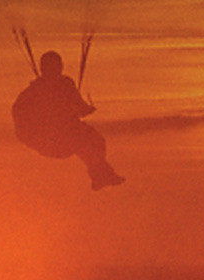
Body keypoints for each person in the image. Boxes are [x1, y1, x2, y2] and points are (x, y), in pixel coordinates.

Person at [12, 51, 124, 190]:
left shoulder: (56, 86)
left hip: (59, 139)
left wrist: (84, 110)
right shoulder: (37, 91)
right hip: (52, 141)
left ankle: (101, 176)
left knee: (91, 144)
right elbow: (20, 114)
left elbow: (78, 107)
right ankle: (101, 176)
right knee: (90, 142)